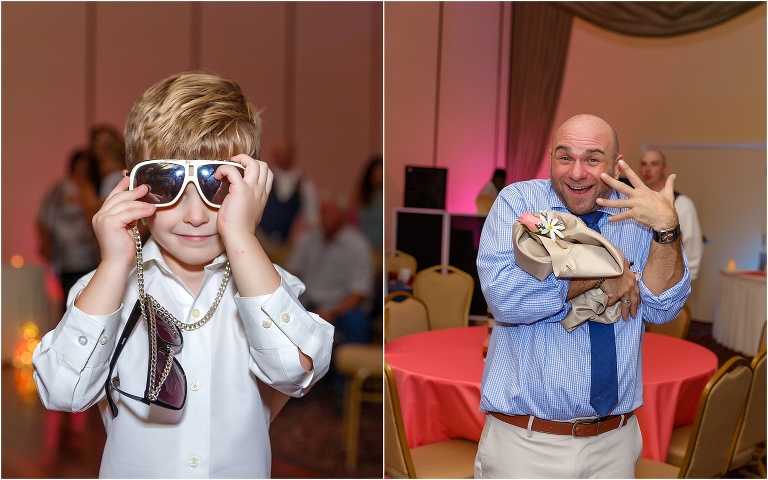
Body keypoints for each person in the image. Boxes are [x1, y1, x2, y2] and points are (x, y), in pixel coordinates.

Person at [32, 71, 334, 478]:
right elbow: (63, 392)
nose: (194, 216)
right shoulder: (103, 288)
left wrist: (242, 236)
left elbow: (295, 371)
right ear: (134, 187)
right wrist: (113, 264)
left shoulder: (267, 283)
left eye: (217, 183)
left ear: (249, 187)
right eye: (166, 182)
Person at [475, 114, 690, 478]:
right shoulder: (519, 204)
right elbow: (505, 299)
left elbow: (663, 307)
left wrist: (666, 228)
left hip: (614, 444)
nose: (576, 172)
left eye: (592, 159)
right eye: (564, 157)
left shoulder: (638, 215)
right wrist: (602, 277)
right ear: (550, 158)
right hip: (527, 445)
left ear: (617, 164)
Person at [288, 191, 373, 346]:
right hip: (309, 305)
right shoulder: (308, 240)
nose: (326, 216)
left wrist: (332, 312)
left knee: (357, 323)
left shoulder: (357, 245)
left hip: (342, 310)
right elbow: (291, 273)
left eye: (331, 211)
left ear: (342, 214)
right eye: (323, 211)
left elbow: (359, 292)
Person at [37, 148, 102, 312]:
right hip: (67, 256)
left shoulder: (95, 187)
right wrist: (46, 245)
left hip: (92, 255)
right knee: (69, 298)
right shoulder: (60, 188)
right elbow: (45, 218)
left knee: (92, 295)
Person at [639, 149, 704, 280]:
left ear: (664, 169)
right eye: (644, 164)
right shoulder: (636, 203)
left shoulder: (682, 203)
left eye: (654, 164)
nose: (648, 169)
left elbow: (692, 248)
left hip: (672, 286)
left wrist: (680, 287)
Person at [257, 140, 319, 264]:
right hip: (261, 240)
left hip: (286, 246)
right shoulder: (264, 176)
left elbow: (312, 218)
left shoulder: (303, 183)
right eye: (279, 154)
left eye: (285, 154)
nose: (282, 158)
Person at [348, 156, 383, 250]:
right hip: (362, 244)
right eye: (376, 174)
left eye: (381, 174)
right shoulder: (360, 194)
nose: (378, 177)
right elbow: (352, 220)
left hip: (380, 246)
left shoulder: (385, 195)